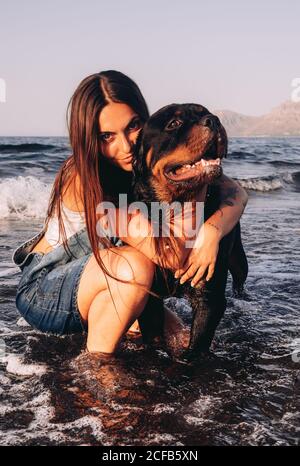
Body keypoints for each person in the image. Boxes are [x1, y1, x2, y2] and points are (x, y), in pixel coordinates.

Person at [12, 70, 248, 355]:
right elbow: (169, 255)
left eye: (134, 126)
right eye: (106, 136)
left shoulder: (140, 166)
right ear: (88, 139)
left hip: (97, 277)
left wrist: (212, 232)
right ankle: (100, 369)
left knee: (137, 273)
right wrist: (168, 317)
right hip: (45, 289)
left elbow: (235, 192)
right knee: (136, 265)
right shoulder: (86, 178)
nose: (125, 146)